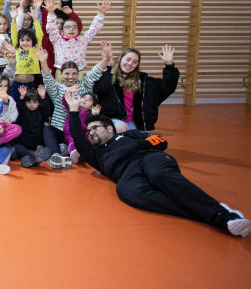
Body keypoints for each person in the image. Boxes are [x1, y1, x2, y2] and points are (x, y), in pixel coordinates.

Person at [65, 87, 249, 237]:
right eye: (89, 133)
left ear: (110, 128)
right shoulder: (97, 155)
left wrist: (136, 146)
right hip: (126, 175)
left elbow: (161, 141)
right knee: (128, 192)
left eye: (94, 128)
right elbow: (78, 138)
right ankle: (210, 212)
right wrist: (73, 109)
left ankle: (223, 216)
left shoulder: (130, 135)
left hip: (148, 158)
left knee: (159, 175)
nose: (91, 133)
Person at [94, 45, 179, 133]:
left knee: (145, 143)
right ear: (120, 59)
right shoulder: (109, 77)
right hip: (115, 121)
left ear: (137, 65)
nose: (130, 63)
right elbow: (99, 89)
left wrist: (169, 65)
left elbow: (167, 87)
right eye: (128, 59)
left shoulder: (144, 82)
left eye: (135, 62)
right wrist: (108, 66)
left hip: (137, 123)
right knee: (121, 130)